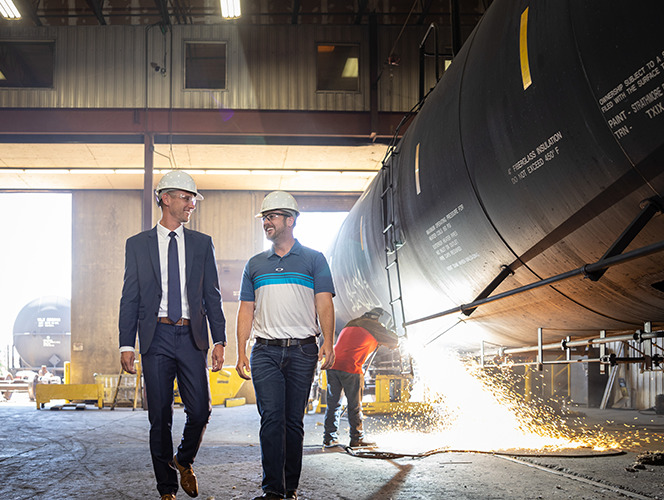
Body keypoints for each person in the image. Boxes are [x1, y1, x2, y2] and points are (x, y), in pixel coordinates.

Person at [118, 170, 227, 500]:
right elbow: (130, 296)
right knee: (159, 416)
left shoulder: (201, 243)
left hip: (191, 337)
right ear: (166, 198)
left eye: (193, 198)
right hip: (156, 337)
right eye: (187, 197)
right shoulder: (137, 245)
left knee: (201, 411)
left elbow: (212, 295)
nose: (192, 204)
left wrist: (219, 339)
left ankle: (183, 459)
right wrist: (127, 343)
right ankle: (166, 489)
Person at [235, 190, 336, 500]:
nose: (266, 222)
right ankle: (273, 490)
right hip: (264, 351)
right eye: (265, 217)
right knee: (271, 419)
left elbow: (324, 304)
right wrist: (240, 351)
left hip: (303, 350)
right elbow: (246, 310)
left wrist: (328, 342)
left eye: (272, 216)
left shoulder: (314, 259)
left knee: (293, 421)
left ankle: (290, 487)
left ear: (290, 221)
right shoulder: (254, 264)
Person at [323, 308, 399, 448]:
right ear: (380, 320)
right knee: (355, 406)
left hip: (332, 365)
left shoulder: (352, 322)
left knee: (334, 404)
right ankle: (357, 438)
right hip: (350, 368)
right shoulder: (375, 326)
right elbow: (394, 341)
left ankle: (329, 438)